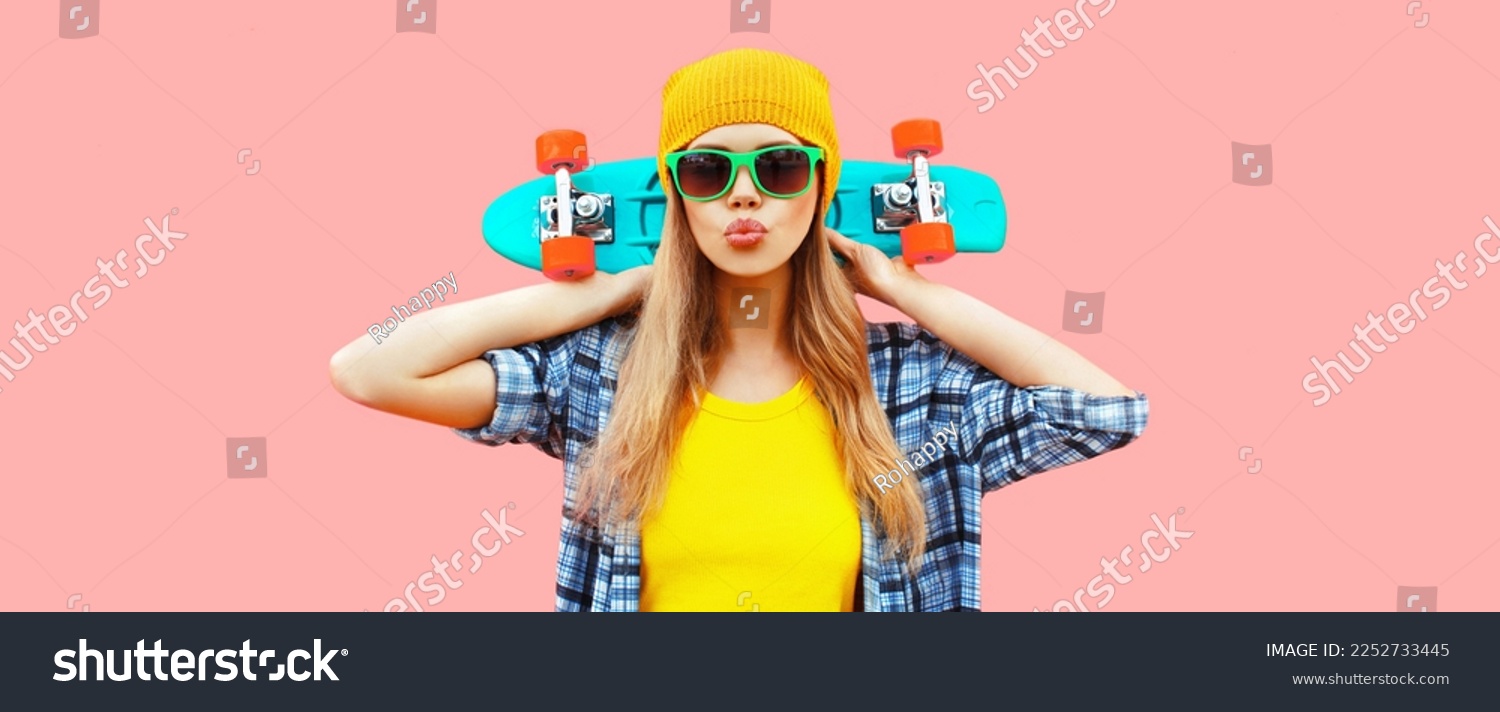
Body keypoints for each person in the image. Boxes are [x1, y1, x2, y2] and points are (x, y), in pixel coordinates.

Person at [329, 47, 1150, 612]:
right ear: (676, 195)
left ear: (820, 188)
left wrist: (907, 290)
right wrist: (600, 296)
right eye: (708, 169)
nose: (745, 194)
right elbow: (369, 369)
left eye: (781, 166)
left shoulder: (911, 388)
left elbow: (1107, 410)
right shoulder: (600, 374)